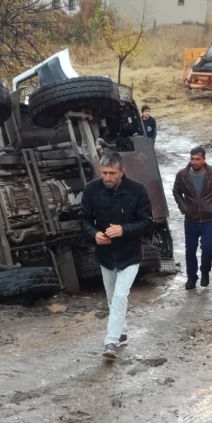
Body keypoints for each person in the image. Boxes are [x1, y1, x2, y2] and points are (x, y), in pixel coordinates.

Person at [81, 152, 152, 360]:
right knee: (113, 299)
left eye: (113, 173)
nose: (108, 178)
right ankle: (122, 333)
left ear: (122, 172)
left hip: (130, 254)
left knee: (121, 296)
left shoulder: (138, 190)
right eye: (104, 173)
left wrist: (124, 229)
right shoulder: (91, 189)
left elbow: (147, 222)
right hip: (105, 254)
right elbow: (83, 220)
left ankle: (110, 342)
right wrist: (94, 234)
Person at [173, 147, 212, 290]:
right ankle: (191, 277)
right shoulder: (182, 175)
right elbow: (176, 191)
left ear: (204, 159)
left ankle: (205, 272)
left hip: (209, 219)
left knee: (207, 247)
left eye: (197, 159)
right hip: (191, 219)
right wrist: (183, 207)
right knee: (190, 250)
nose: (194, 162)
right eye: (192, 159)